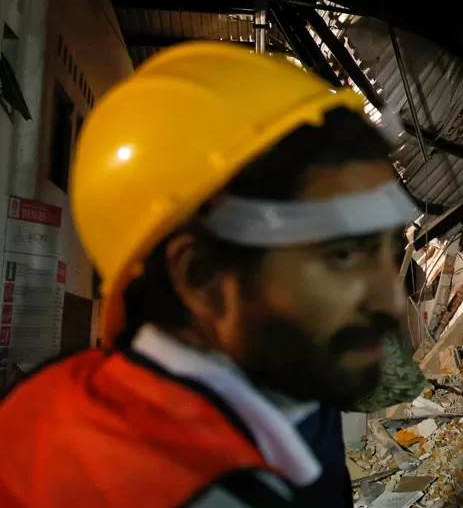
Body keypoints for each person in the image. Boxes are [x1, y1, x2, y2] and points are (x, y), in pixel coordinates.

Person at [0, 42, 417, 507]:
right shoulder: (153, 487)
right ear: (201, 277)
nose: (391, 301)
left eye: (386, 249)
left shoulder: (291, 381)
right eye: (342, 255)